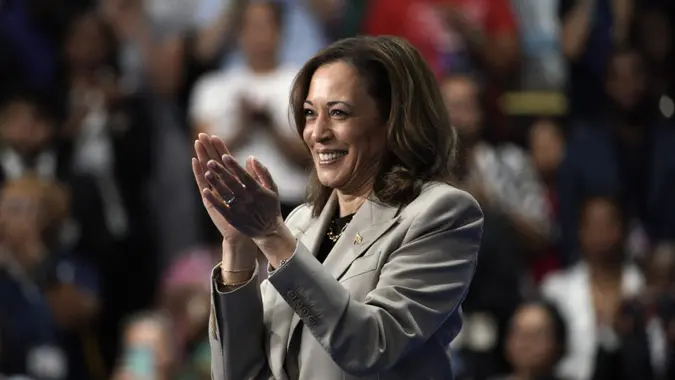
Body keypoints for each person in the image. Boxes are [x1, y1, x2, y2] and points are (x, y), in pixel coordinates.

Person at [192, 36, 483, 379]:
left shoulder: (441, 213)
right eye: (310, 114)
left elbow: (371, 346)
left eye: (339, 113)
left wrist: (272, 236)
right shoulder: (301, 222)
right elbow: (236, 374)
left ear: (393, 120)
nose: (318, 133)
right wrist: (238, 246)